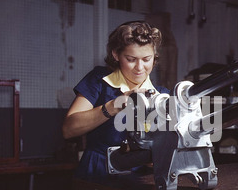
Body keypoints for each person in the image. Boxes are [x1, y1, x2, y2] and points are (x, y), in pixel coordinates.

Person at [62, 21, 169, 181]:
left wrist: (157, 157)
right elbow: (69, 129)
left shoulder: (162, 95)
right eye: (131, 59)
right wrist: (114, 105)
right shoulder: (99, 81)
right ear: (116, 55)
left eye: (146, 59)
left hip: (141, 178)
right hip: (98, 172)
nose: (140, 67)